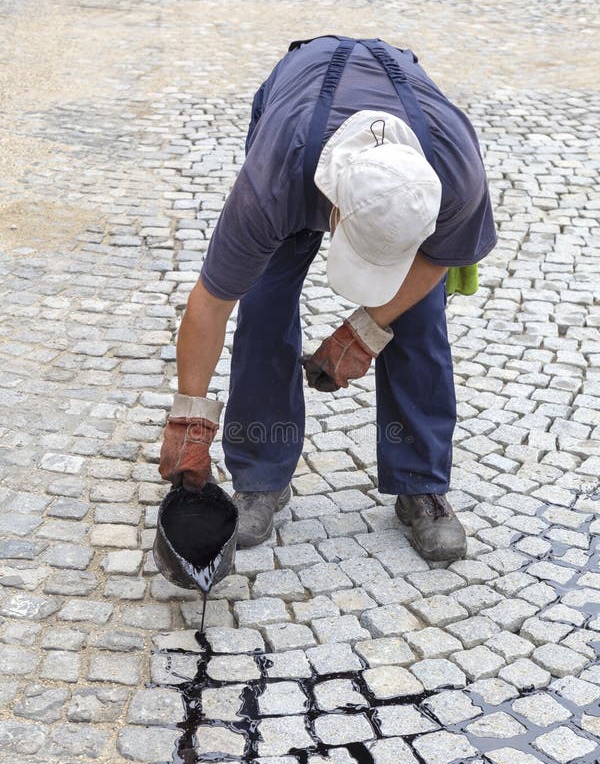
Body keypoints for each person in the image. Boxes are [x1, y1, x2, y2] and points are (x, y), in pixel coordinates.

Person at [158, 36, 497, 563]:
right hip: (302, 102)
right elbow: (211, 302)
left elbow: (438, 258)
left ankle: (421, 485)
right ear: (333, 209)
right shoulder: (274, 184)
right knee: (265, 301)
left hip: (405, 127)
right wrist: (189, 421)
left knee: (421, 317)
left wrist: (366, 330)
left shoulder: (453, 174)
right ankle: (261, 477)